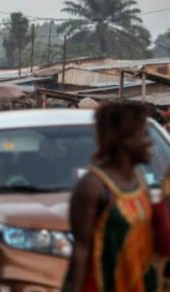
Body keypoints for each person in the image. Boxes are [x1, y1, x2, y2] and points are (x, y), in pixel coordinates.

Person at [65, 103, 157, 292]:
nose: (150, 142)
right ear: (125, 139)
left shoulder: (139, 182)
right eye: (144, 134)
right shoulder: (92, 187)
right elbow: (80, 252)